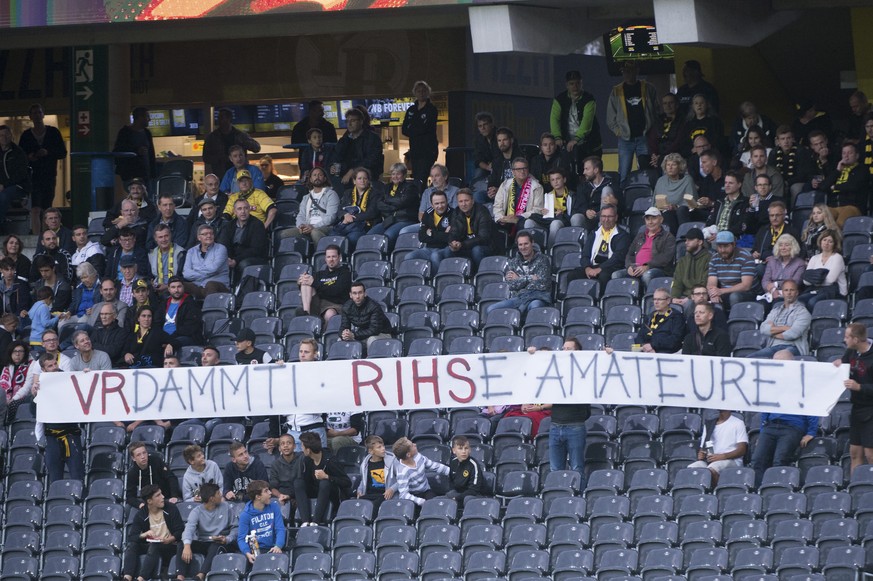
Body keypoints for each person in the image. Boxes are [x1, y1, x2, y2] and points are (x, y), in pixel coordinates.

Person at [751, 356, 818, 488]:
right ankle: (758, 491)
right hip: (771, 426)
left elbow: (811, 406)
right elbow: (766, 407)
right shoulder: (772, 383)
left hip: (792, 427)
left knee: (779, 460)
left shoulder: (802, 382)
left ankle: (778, 490)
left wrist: (811, 432)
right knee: (757, 459)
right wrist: (762, 431)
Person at [545, 338, 592, 482]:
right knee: (554, 469)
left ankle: (577, 499)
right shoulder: (556, 369)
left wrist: (608, 354)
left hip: (575, 426)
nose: (564, 351)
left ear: (577, 352)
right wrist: (532, 354)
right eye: (563, 348)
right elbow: (538, 367)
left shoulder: (584, 370)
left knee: (577, 468)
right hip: (555, 425)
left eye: (568, 349)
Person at [33, 352, 83, 483]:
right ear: (43, 370)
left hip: (71, 434)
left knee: (77, 474)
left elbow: (84, 393)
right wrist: (36, 395)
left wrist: (86, 377)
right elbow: (34, 412)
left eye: (55, 363)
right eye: (50, 366)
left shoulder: (69, 378)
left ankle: (79, 501)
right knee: (54, 476)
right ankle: (55, 502)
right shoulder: (41, 385)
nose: (54, 367)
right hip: (51, 437)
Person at [19, 104, 67, 235]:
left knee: (46, 207)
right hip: (33, 176)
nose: (37, 115)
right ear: (30, 117)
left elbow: (62, 152)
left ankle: (46, 236)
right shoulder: (26, 136)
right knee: (35, 208)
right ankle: (36, 237)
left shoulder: (53, 132)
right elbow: (20, 156)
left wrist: (48, 152)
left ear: (43, 114)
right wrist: (30, 157)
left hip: (49, 174)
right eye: (34, 113)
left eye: (39, 112)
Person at [606, 62, 658, 183]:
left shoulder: (648, 88)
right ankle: (624, 196)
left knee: (646, 170)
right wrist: (618, 131)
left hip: (644, 136)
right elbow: (610, 117)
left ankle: (647, 195)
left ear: (637, 71)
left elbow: (656, 110)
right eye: (625, 71)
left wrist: (652, 129)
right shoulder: (616, 91)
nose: (628, 74)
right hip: (625, 139)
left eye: (630, 70)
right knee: (624, 172)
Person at [175, 482, 236, 581]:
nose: (221, 494)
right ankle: (180, 577)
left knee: (215, 545)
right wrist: (187, 546)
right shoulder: (197, 511)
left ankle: (200, 576)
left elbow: (235, 527)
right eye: (218, 493)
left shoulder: (226, 507)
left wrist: (228, 539)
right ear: (212, 498)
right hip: (204, 542)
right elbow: (188, 529)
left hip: (222, 542)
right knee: (182, 544)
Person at [833, 324, 873, 474]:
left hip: (871, 409)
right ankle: (855, 487)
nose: (844, 340)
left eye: (847, 337)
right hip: (857, 407)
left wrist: (859, 387)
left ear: (856, 339)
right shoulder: (851, 352)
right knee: (855, 452)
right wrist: (839, 364)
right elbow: (843, 366)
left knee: (870, 454)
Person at [123, 484, 184, 581]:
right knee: (132, 546)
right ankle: (127, 577)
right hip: (152, 546)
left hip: (170, 546)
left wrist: (170, 539)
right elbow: (132, 537)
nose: (163, 497)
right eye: (158, 495)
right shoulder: (141, 514)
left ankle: (141, 579)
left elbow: (180, 530)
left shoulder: (171, 508)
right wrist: (144, 534)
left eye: (161, 494)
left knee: (155, 546)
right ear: (149, 501)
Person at [485, 231, 551, 316]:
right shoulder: (513, 262)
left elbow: (543, 284)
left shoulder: (543, 260)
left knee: (535, 306)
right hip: (519, 298)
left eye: (526, 244)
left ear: (532, 243)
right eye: (520, 245)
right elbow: (512, 286)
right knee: (491, 309)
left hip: (538, 297)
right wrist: (530, 278)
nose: (523, 247)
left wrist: (519, 279)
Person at [293, 431, 352, 526]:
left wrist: (327, 477)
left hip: (332, 493)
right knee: (298, 482)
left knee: (324, 483)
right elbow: (305, 481)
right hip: (315, 491)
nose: (301, 449)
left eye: (302, 446)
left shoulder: (330, 460)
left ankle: (316, 521)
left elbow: (347, 482)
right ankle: (305, 521)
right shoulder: (306, 459)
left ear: (308, 450)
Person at [550, 70, 602, 168]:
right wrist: (557, 137)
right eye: (571, 84)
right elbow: (554, 120)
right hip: (568, 145)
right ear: (567, 85)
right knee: (569, 173)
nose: (575, 86)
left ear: (581, 83)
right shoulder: (559, 100)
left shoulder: (589, 99)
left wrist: (576, 139)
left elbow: (587, 123)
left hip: (590, 145)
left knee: (591, 172)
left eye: (578, 83)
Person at [573, 204, 630, 292]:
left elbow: (618, 257)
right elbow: (585, 254)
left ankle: (599, 302)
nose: (606, 220)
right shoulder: (594, 233)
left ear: (616, 217)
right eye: (603, 216)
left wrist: (600, 268)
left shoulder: (622, 235)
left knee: (604, 275)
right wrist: (587, 268)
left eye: (610, 216)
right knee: (573, 274)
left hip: (610, 267)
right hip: (592, 266)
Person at [746, 280, 810, 358]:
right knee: (749, 359)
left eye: (792, 290)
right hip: (773, 347)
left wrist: (773, 332)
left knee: (781, 356)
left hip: (794, 347)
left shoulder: (803, 312)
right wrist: (784, 328)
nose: (789, 293)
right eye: (786, 290)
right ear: (782, 293)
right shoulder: (775, 311)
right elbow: (763, 329)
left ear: (797, 292)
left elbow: (793, 334)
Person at [615, 207, 675, 288]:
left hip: (658, 269)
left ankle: (649, 298)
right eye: (648, 219)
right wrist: (629, 266)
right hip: (636, 268)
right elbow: (630, 254)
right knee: (616, 275)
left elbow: (665, 257)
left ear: (661, 219)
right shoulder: (640, 236)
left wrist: (647, 266)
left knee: (647, 275)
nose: (650, 222)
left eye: (654, 218)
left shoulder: (668, 236)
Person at [687, 410, 748, 486]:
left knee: (712, 469)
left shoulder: (738, 423)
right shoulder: (709, 424)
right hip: (712, 460)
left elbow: (742, 450)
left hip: (732, 460)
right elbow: (705, 448)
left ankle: (715, 494)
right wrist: (702, 454)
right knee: (690, 469)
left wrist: (723, 456)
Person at [280, 166, 339, 243]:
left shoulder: (331, 194)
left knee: (315, 232)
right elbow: (301, 215)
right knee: (284, 234)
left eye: (320, 175)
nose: (317, 177)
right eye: (314, 175)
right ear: (310, 179)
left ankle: (320, 254)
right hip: (307, 227)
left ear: (324, 178)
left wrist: (313, 227)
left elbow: (331, 217)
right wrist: (301, 226)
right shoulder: (306, 197)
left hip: (325, 227)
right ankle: (299, 255)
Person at [816, 141, 868, 227]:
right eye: (844, 153)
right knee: (821, 221)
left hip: (852, 206)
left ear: (857, 155)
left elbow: (853, 186)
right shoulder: (837, 170)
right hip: (833, 206)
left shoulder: (862, 169)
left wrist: (835, 187)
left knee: (839, 224)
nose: (846, 156)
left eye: (850, 153)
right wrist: (837, 171)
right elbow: (823, 186)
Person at [368, 163, 419, 248]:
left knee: (387, 236)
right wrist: (393, 206)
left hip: (405, 220)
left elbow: (402, 202)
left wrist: (387, 201)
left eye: (398, 174)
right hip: (389, 220)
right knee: (369, 235)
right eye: (393, 174)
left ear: (404, 175)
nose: (395, 176)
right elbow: (379, 203)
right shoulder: (386, 187)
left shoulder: (411, 187)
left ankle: (386, 258)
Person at [330, 167, 383, 247]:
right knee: (331, 237)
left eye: (365, 178)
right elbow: (340, 209)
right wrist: (345, 215)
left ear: (368, 181)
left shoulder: (375, 194)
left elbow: (372, 212)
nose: (362, 181)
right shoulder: (348, 193)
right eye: (359, 178)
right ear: (354, 181)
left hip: (364, 226)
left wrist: (352, 218)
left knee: (351, 239)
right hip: (346, 225)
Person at [296, 244, 350, 321]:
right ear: (325, 259)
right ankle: (306, 313)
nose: (331, 259)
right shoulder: (320, 274)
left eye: (334, 256)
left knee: (329, 314)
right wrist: (300, 282)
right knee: (306, 281)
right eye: (328, 257)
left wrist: (315, 283)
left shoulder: (345, 273)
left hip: (337, 305)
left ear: (339, 257)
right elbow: (311, 285)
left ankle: (325, 333)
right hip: (319, 304)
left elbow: (337, 290)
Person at [493, 157, 545, 238]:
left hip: (524, 219)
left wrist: (518, 217)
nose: (522, 171)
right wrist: (501, 218)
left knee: (523, 224)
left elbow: (537, 209)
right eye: (519, 169)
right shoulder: (505, 184)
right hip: (506, 219)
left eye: (525, 168)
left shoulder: (537, 187)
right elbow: (497, 205)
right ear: (513, 172)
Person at [707, 231, 758, 313]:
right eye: (719, 247)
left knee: (734, 296)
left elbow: (746, 286)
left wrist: (721, 291)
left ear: (734, 244)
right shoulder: (714, 259)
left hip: (748, 293)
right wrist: (713, 294)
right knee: (704, 296)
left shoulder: (746, 257)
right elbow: (711, 283)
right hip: (725, 292)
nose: (722, 250)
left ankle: (734, 323)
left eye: (726, 246)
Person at [203, 107, 261, 178]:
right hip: (222, 175)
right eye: (220, 118)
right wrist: (220, 159)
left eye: (224, 118)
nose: (222, 121)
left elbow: (257, 148)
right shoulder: (212, 138)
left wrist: (245, 143)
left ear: (230, 119)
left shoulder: (240, 135)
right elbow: (206, 157)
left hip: (240, 174)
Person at [218, 198, 269, 279]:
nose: (243, 211)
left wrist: (236, 260)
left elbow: (256, 250)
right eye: (239, 209)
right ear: (235, 211)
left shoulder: (257, 225)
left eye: (245, 208)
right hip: (232, 257)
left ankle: (241, 289)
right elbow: (224, 244)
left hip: (252, 258)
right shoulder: (229, 226)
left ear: (249, 210)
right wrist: (228, 259)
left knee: (243, 264)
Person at [443, 188, 492, 271]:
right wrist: (453, 242)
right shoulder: (456, 212)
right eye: (460, 201)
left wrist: (462, 244)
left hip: (486, 246)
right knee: (448, 250)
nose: (463, 204)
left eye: (466, 201)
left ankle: (479, 275)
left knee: (477, 250)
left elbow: (484, 237)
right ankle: (454, 276)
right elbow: (453, 232)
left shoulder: (482, 211)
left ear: (472, 201)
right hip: (465, 246)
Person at [406, 190, 455, 272]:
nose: (440, 206)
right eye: (437, 203)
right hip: (428, 248)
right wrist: (443, 234)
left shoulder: (454, 213)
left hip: (446, 248)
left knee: (435, 256)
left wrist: (431, 233)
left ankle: (436, 281)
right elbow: (422, 237)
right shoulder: (427, 213)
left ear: (447, 202)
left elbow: (451, 237)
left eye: (442, 202)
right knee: (409, 257)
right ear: (432, 205)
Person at [332, 108, 383, 187]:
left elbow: (371, 160)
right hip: (345, 177)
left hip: (368, 177)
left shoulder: (373, 138)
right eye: (347, 121)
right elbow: (336, 157)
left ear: (361, 121)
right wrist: (333, 167)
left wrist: (353, 171)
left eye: (353, 121)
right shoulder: (344, 140)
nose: (349, 124)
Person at [392, 436, 449, 506]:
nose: (415, 444)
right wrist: (419, 501)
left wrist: (451, 472)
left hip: (426, 491)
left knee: (434, 504)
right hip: (413, 497)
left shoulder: (418, 457)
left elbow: (434, 466)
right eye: (412, 445)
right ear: (408, 454)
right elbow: (403, 494)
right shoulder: (402, 472)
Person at [237, 480, 285, 563]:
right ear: (258, 496)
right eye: (266, 491)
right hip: (256, 551)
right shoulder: (245, 515)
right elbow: (241, 538)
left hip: (273, 548)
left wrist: (278, 546)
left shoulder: (274, 507)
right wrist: (247, 553)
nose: (270, 493)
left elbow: (280, 529)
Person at [402, 80, 439, 185]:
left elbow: (427, 128)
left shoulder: (431, 109)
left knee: (422, 177)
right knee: (416, 177)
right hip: (415, 150)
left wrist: (413, 129)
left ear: (427, 92)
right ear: (415, 93)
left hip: (428, 150)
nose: (421, 93)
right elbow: (404, 129)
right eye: (418, 91)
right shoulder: (411, 110)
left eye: (423, 91)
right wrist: (417, 129)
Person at [125, 440, 181, 508]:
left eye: (144, 453)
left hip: (164, 497)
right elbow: (130, 496)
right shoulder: (132, 473)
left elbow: (171, 478)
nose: (143, 457)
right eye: (138, 455)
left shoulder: (156, 461)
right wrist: (140, 505)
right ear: (133, 458)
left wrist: (174, 496)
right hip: (147, 502)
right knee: (128, 508)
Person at [799, 229, 847, 308]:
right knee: (800, 300)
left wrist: (814, 277)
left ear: (834, 244)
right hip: (815, 289)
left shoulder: (837, 258)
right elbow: (806, 281)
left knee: (812, 302)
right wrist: (821, 275)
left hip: (833, 291)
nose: (826, 243)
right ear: (820, 241)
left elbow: (829, 281)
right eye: (824, 240)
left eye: (830, 241)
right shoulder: (814, 258)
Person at [340, 281, 392, 351]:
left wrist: (354, 335)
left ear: (365, 294)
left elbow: (374, 330)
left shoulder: (374, 307)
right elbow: (344, 326)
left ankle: (369, 360)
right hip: (362, 334)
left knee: (372, 340)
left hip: (382, 334)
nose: (357, 296)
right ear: (350, 295)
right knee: (340, 340)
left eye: (360, 293)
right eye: (354, 293)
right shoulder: (346, 307)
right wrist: (344, 334)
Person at [768, 125, 814, 204]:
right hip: (779, 182)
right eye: (782, 139)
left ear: (793, 139)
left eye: (788, 138)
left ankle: (793, 213)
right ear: (778, 141)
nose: (786, 141)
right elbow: (770, 172)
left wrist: (787, 183)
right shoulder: (773, 153)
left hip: (798, 182)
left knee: (795, 188)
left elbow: (803, 175)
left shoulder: (801, 151)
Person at [633, 287, 686, 353]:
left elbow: (674, 340)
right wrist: (645, 347)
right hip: (647, 352)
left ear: (668, 301)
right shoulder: (650, 317)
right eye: (654, 299)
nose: (656, 302)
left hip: (667, 354)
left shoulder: (677, 317)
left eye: (659, 299)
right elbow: (640, 336)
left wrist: (653, 345)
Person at [654, 153, 696, 235]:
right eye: (668, 165)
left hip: (684, 214)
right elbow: (655, 203)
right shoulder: (660, 181)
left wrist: (676, 207)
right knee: (667, 214)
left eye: (673, 165)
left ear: (680, 166)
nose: (670, 167)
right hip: (665, 213)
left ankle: (683, 237)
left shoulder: (687, 180)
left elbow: (691, 203)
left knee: (680, 211)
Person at [569, 156, 615, 231]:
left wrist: (615, 201)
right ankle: (581, 241)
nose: (584, 172)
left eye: (587, 169)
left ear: (596, 170)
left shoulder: (611, 183)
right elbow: (577, 206)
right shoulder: (583, 186)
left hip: (608, 219)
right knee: (576, 218)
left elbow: (623, 207)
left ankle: (603, 225)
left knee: (606, 190)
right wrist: (586, 211)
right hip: (589, 220)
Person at [183, 224, 230, 298]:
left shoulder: (221, 249)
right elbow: (186, 274)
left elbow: (213, 269)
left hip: (219, 285)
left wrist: (196, 270)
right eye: (205, 234)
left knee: (210, 284)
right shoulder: (191, 251)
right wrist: (204, 274)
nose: (209, 236)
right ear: (199, 237)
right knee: (179, 285)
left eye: (211, 233)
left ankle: (210, 309)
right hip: (198, 285)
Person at [0, 125, 32, 230]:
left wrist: (4, 185)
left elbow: (21, 174)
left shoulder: (18, 152)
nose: (4, 137)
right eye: (1, 135)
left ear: (11, 136)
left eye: (6, 134)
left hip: (18, 186)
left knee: (3, 197)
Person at [356, 434, 398, 514]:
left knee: (373, 506)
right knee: (357, 505)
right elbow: (363, 480)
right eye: (379, 447)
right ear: (371, 451)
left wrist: (392, 489)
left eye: (383, 446)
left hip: (385, 495)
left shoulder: (392, 461)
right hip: (370, 495)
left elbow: (402, 479)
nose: (383, 449)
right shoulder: (365, 464)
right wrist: (359, 490)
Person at [704, 171, 750, 243]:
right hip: (714, 236)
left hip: (732, 238)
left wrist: (720, 234)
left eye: (730, 183)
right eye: (725, 182)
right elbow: (710, 221)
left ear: (739, 185)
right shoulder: (719, 202)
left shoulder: (745, 202)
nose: (727, 185)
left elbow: (741, 226)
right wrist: (709, 233)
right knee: (695, 243)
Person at [751, 201, 801, 267]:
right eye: (772, 215)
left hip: (782, 265)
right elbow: (755, 249)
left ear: (784, 215)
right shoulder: (763, 230)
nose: (774, 218)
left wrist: (775, 259)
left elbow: (796, 253)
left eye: (777, 215)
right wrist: (754, 254)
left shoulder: (792, 231)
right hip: (763, 262)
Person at [113, 107, 155, 183]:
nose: (149, 119)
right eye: (147, 116)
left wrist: (153, 173)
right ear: (140, 117)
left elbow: (151, 153)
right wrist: (136, 151)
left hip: (146, 175)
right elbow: (118, 151)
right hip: (130, 175)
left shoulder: (147, 133)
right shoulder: (125, 133)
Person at [760, 234, 806, 303]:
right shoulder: (772, 260)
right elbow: (765, 281)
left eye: (787, 245)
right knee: (760, 305)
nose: (783, 248)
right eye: (780, 245)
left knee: (777, 303)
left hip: (790, 295)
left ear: (793, 247)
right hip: (771, 293)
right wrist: (773, 290)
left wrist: (776, 284)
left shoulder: (800, 263)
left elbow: (795, 282)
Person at [485, 127, 522, 203]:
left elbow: (522, 184)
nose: (502, 143)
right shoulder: (497, 161)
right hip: (500, 196)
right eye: (499, 140)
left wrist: (501, 190)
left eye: (504, 140)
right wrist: (491, 190)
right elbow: (492, 181)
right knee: (479, 195)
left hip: (518, 195)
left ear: (511, 140)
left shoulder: (520, 159)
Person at [163, 277, 203, 347]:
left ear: (183, 287)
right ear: (169, 289)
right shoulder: (164, 304)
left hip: (183, 337)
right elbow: (157, 322)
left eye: (179, 287)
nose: (176, 290)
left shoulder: (191, 303)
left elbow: (189, 328)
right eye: (173, 287)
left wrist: (170, 339)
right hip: (164, 336)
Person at [446, 435, 488, 501]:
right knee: (445, 496)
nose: (463, 451)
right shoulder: (453, 462)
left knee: (467, 499)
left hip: (474, 496)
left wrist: (457, 498)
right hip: (458, 493)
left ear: (470, 450)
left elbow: (474, 490)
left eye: (466, 448)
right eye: (460, 448)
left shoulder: (474, 465)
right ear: (454, 450)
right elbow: (451, 482)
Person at [648, 93, 684, 169]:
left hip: (675, 153)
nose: (668, 105)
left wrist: (662, 156)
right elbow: (652, 139)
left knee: (661, 161)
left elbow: (678, 142)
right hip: (659, 154)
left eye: (671, 103)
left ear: (677, 104)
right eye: (665, 103)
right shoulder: (658, 120)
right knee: (643, 159)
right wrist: (654, 154)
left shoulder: (683, 120)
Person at [268, 434, 300, 518]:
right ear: (279, 448)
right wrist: (280, 496)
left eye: (289, 443)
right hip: (282, 496)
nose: (285, 446)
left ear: (294, 446)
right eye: (282, 444)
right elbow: (273, 487)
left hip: (299, 495)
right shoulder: (275, 464)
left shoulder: (301, 459)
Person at [471, 112, 500, 197]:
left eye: (485, 125)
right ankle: (473, 196)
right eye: (480, 126)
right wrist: (487, 167)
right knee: (478, 173)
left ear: (491, 124)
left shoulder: (499, 135)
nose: (483, 128)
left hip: (500, 166)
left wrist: (493, 165)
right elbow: (478, 159)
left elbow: (502, 155)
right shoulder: (478, 139)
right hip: (487, 167)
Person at [148, 224, 184, 292]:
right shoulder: (151, 254)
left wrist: (167, 286)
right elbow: (150, 276)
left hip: (176, 288)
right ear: (155, 238)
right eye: (160, 237)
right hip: (157, 288)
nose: (164, 239)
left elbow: (182, 276)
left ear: (170, 235)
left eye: (166, 236)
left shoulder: (181, 253)